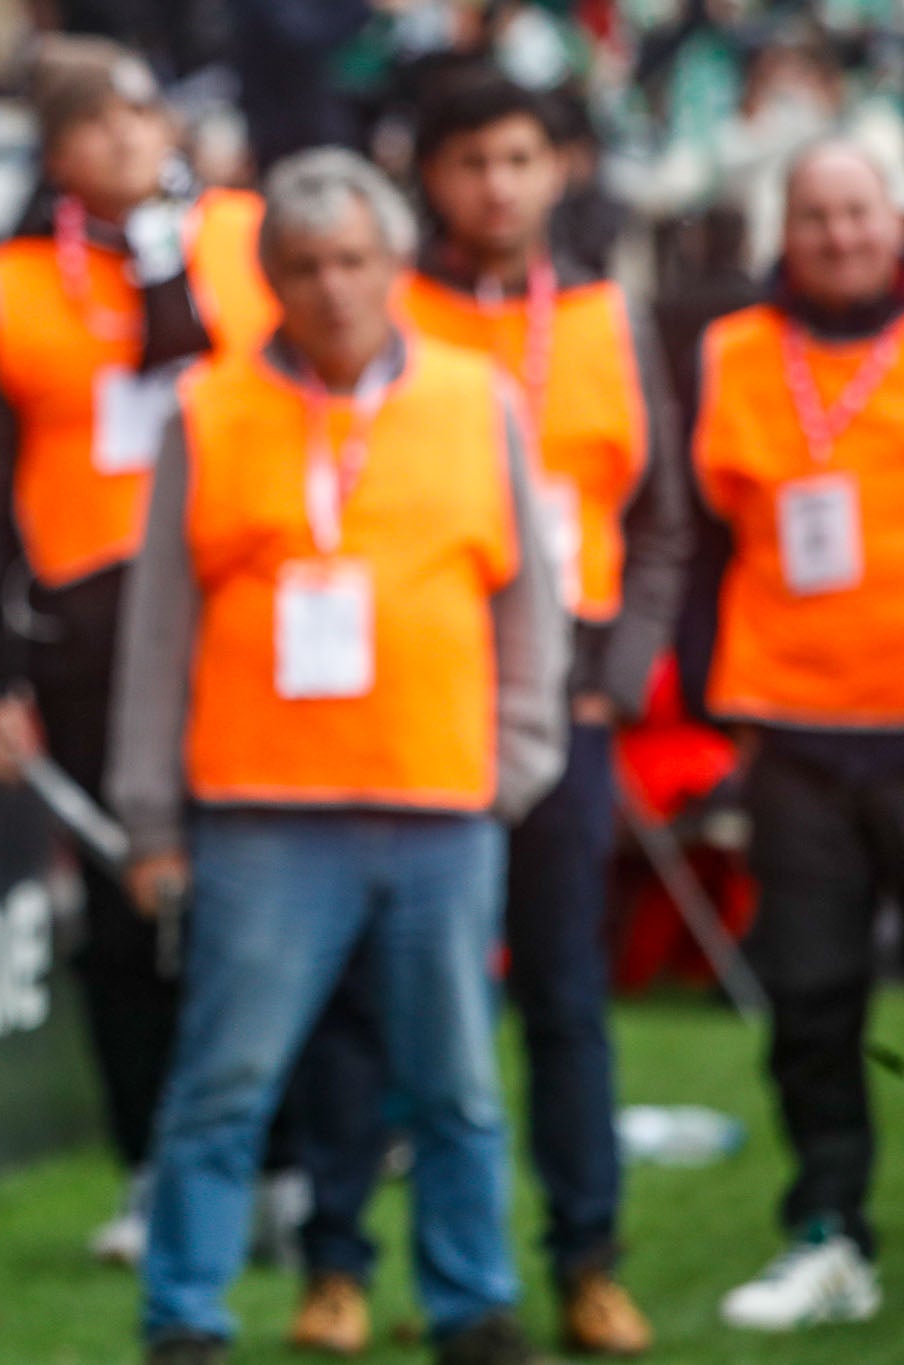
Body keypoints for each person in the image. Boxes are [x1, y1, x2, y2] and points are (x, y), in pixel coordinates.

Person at [107, 148, 569, 1365]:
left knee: (458, 1090)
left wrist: (516, 754)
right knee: (220, 1087)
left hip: (437, 800)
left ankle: (472, 1309)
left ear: (396, 266)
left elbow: (532, 601)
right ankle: (184, 1324)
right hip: (262, 811)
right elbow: (158, 630)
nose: (330, 288)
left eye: (354, 260)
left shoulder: (478, 400)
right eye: (302, 267)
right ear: (269, 281)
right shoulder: (205, 410)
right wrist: (149, 819)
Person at [283, 72, 684, 1358]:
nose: (495, 186)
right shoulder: (372, 309)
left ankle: (584, 1265)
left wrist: (611, 679)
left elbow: (663, 523)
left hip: (558, 712)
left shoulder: (613, 318)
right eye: (468, 163)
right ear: (429, 180)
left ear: (554, 168)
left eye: (517, 158)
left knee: (563, 995)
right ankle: (337, 1266)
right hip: (402, 712)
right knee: (360, 999)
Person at [0, 33, 271, 1266]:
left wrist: (166, 259)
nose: (131, 137)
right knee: (129, 923)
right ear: (61, 154)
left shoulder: (246, 235)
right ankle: (146, 1171)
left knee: (261, 893)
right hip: (88, 641)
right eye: (99, 123)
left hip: (246, 616)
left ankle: (281, 1167)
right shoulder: (7, 283)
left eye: (144, 115)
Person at [690, 138, 902, 1333]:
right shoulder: (729, 352)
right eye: (812, 215)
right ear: (785, 228)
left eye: (854, 212)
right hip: (794, 734)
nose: (835, 235)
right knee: (811, 998)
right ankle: (827, 1232)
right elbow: (705, 540)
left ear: (890, 219)